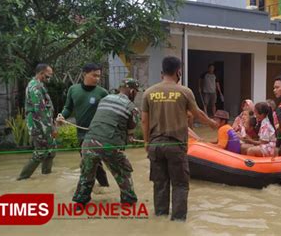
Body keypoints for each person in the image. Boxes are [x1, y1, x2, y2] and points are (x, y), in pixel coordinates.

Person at [142, 56, 217, 222]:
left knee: (160, 184)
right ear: (179, 72)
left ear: (162, 73)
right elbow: (198, 114)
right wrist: (212, 124)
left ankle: (160, 218)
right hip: (176, 146)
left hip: (155, 145)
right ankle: (177, 222)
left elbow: (144, 121)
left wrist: (147, 143)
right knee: (180, 184)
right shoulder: (184, 91)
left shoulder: (149, 92)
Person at [72, 78, 141, 206]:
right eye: (136, 91)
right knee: (123, 172)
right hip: (109, 145)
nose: (136, 94)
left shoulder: (105, 99)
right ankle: (128, 202)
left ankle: (80, 203)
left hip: (88, 143)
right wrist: (130, 136)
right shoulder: (132, 108)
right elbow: (131, 131)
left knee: (86, 175)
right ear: (131, 91)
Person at [56, 63, 109, 187]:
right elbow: (68, 107)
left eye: (99, 76)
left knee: (91, 162)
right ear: (84, 74)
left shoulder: (103, 93)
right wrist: (62, 115)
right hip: (81, 133)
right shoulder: (73, 90)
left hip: (97, 133)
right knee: (91, 162)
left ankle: (92, 189)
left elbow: (108, 113)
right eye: (94, 75)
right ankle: (104, 187)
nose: (97, 79)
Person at [18, 64, 57, 180]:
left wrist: (52, 123)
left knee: (51, 150)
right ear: (41, 73)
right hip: (38, 125)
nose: (50, 78)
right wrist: (51, 128)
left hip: (45, 123)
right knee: (40, 152)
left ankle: (47, 177)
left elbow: (46, 109)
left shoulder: (40, 86)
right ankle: (22, 178)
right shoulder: (34, 87)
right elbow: (40, 111)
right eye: (48, 75)